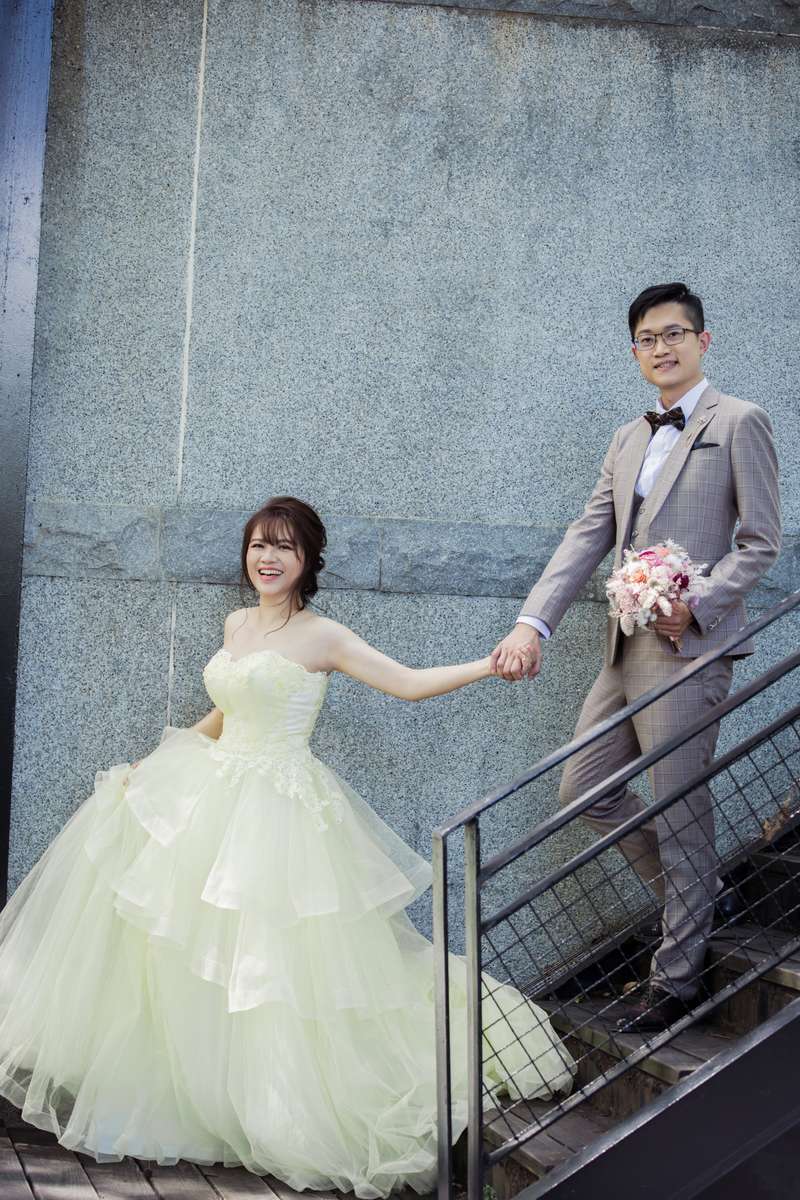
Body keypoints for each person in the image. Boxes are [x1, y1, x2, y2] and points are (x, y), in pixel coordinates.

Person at [0, 496, 573, 1198]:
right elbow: (225, 711)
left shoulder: (323, 636)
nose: (267, 559)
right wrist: (153, 766)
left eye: (283, 547)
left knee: (271, 963)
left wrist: (490, 664)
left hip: (278, 812)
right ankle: (201, 1095)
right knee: (184, 953)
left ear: (307, 560)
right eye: (258, 546)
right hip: (211, 794)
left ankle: (274, 1105)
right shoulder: (236, 624)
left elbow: (408, 686)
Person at [492, 282, 781, 1032]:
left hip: (688, 648)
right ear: (635, 353)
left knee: (678, 802)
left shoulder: (739, 421)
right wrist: (532, 624)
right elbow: (587, 536)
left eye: (675, 333)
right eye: (648, 339)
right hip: (622, 647)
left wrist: (699, 601)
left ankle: (675, 979)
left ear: (702, 341)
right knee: (585, 789)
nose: (662, 347)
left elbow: (761, 543)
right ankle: (701, 894)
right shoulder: (627, 439)